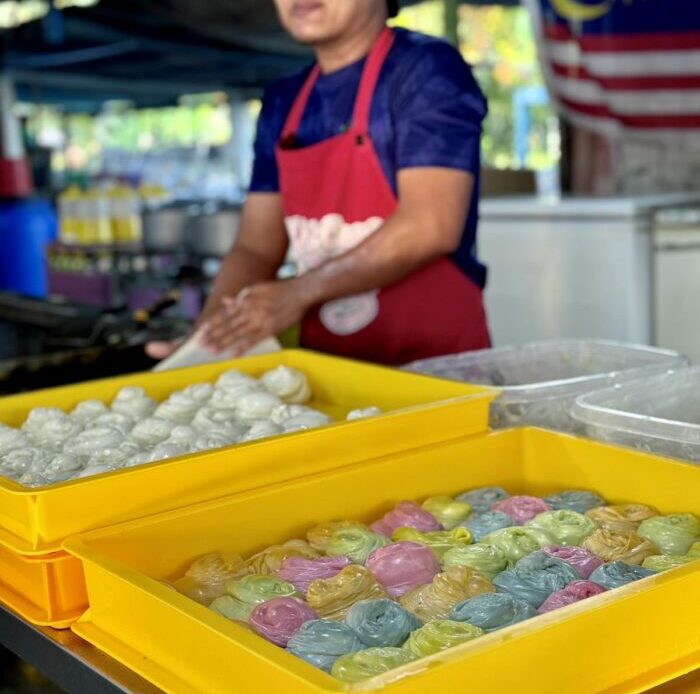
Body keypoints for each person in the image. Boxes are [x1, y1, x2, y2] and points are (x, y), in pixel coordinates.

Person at [149, 0, 490, 366]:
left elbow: (429, 226)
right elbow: (256, 249)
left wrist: (298, 293)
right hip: (331, 366)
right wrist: (207, 340)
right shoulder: (284, 101)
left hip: (438, 365)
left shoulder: (425, 71)